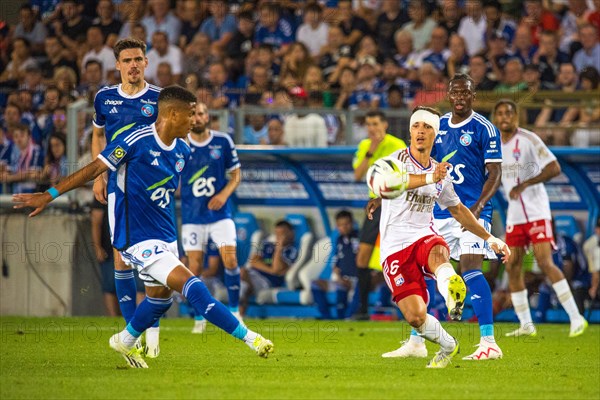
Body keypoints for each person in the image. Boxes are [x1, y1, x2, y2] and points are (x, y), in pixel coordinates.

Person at [13, 85, 274, 368]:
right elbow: (92, 170)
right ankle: (252, 339)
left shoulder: (183, 151)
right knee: (193, 287)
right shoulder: (135, 141)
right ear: (173, 114)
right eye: (189, 115)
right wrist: (49, 195)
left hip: (166, 235)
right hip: (137, 238)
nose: (193, 121)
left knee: (160, 300)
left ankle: (125, 340)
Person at [370, 106, 510, 368]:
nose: (420, 132)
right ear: (410, 131)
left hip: (424, 236)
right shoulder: (395, 159)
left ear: (436, 134)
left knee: (438, 253)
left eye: (427, 128)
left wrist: (491, 238)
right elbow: (386, 183)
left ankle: (451, 291)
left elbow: (458, 210)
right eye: (416, 127)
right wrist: (379, 198)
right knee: (415, 316)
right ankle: (448, 345)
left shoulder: (440, 174)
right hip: (394, 248)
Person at [91, 38, 162, 358]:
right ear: (117, 65)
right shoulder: (104, 98)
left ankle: (153, 328)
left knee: (154, 259)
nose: (133, 64)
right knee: (121, 257)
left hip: (151, 187)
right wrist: (99, 173)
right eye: (127, 60)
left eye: (138, 59)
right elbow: (97, 134)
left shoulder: (160, 98)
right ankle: (132, 332)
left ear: (147, 62)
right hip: (118, 186)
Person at [494, 99, 588, 337]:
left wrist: (526, 182)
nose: (505, 117)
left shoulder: (529, 139)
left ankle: (576, 318)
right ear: (495, 118)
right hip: (515, 216)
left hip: (536, 212)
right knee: (513, 267)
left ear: (516, 117)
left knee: (545, 262)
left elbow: (554, 167)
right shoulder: (495, 146)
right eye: (500, 113)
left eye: (509, 113)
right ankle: (526, 324)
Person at [180, 102, 243, 333]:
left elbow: (236, 174)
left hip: (219, 215)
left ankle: (235, 312)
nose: (197, 118)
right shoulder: (180, 144)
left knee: (231, 260)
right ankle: (199, 317)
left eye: (201, 114)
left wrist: (224, 194)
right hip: (192, 216)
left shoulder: (222, 141)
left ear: (207, 117)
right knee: (194, 266)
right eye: (193, 114)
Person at [353, 110, 406, 320]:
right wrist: (371, 151)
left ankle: (405, 306)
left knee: (398, 257)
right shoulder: (365, 146)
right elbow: (357, 175)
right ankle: (363, 309)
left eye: (375, 123)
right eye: (368, 124)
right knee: (362, 258)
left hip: (394, 205)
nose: (371, 128)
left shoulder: (398, 145)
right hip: (374, 206)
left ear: (385, 125)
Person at [240, 220, 298, 314]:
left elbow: (278, 268)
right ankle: (238, 316)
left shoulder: (292, 251)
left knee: (242, 282)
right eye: (277, 234)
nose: (279, 237)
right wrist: (271, 270)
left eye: (283, 234)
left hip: (267, 281)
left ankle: (238, 316)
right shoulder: (267, 245)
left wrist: (279, 249)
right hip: (252, 275)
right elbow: (253, 261)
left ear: (291, 233)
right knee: (241, 274)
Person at [312, 210, 359, 320]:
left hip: (355, 280)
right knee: (315, 283)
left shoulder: (359, 238)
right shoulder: (339, 240)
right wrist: (337, 274)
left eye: (347, 224)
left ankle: (348, 316)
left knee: (341, 287)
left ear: (352, 223)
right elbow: (336, 260)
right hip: (341, 279)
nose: (344, 227)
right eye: (340, 225)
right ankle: (326, 317)